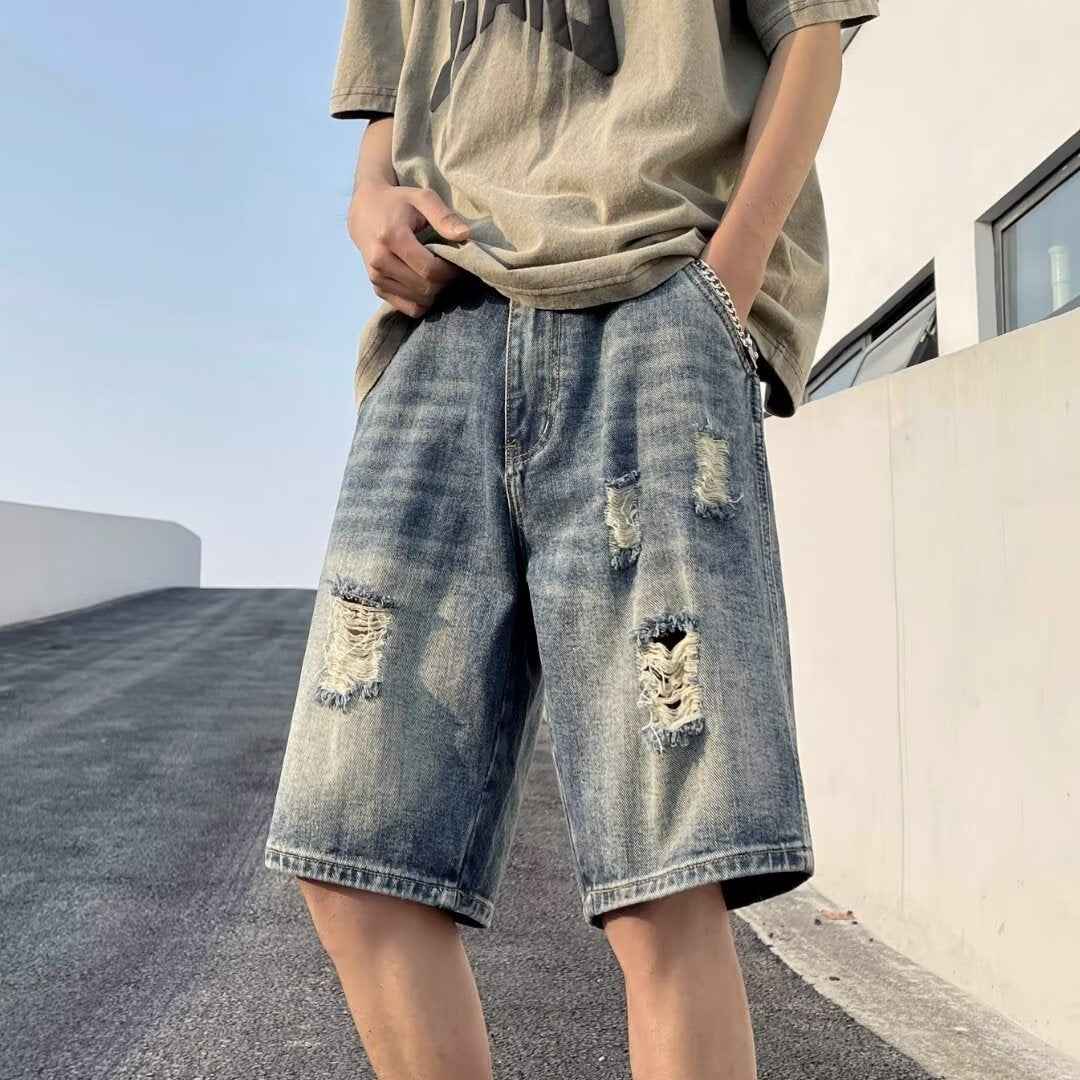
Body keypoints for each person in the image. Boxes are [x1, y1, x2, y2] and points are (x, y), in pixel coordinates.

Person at [264, 0, 880, 1076]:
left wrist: (724, 285)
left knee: (666, 873)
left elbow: (812, 33)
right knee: (352, 853)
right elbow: (388, 104)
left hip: (655, 293)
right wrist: (370, 206)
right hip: (443, 328)